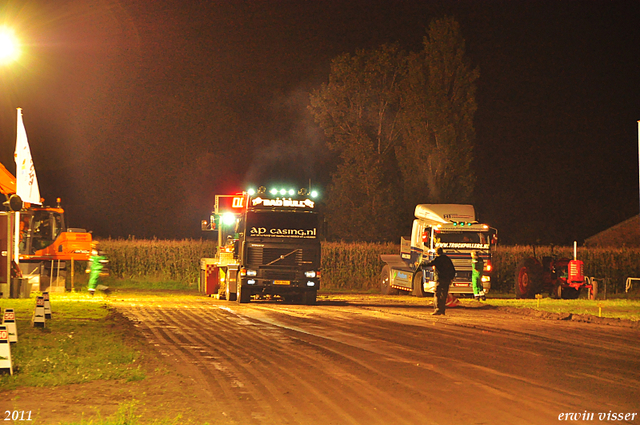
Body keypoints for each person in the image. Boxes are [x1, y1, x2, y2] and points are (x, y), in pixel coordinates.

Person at [423, 247, 456, 315]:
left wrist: (420, 264)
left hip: (439, 279)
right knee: (444, 294)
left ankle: (437, 309)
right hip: (446, 279)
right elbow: (452, 269)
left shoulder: (437, 259)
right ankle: (442, 310)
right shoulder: (447, 259)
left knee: (437, 294)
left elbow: (429, 263)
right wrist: (451, 278)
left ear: (436, 252)